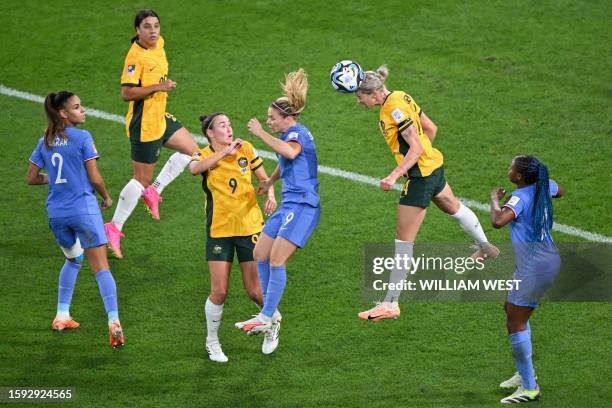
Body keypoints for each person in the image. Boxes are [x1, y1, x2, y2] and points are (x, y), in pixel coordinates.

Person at [355, 65, 499, 321]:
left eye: (360, 96)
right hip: (434, 168)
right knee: (452, 207)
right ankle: (486, 248)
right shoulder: (402, 96)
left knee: (403, 240)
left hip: (420, 177)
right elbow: (431, 129)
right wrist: (425, 159)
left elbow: (417, 146)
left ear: (373, 93)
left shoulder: (393, 108)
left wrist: (394, 175)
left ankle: (390, 303)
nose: (358, 101)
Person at [26, 91, 125, 348]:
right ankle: (113, 321)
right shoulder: (82, 137)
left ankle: (62, 315)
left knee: (73, 259)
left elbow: (32, 177)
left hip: (57, 213)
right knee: (101, 267)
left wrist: (58, 179)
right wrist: (106, 197)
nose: (84, 111)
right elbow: (94, 177)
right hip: (83, 209)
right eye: (78, 107)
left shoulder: (44, 140)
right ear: (63, 113)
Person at [105, 9, 199, 258]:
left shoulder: (160, 44)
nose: (153, 31)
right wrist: (160, 87)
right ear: (137, 30)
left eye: (156, 25)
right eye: (147, 26)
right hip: (144, 124)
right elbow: (126, 93)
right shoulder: (135, 58)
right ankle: (113, 228)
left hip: (160, 118)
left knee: (196, 153)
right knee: (140, 180)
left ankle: (155, 190)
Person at [234, 69, 320, 340]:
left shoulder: (298, 134)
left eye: (272, 118)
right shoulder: (287, 135)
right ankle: (271, 316)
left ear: (287, 118)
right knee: (260, 254)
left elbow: (290, 152)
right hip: (288, 205)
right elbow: (285, 162)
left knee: (276, 259)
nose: (268, 121)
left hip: (304, 206)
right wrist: (270, 182)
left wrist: (260, 134)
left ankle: (266, 317)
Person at [189, 113, 279, 361]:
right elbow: (194, 169)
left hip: (250, 228)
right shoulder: (203, 154)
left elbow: (265, 179)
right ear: (210, 132)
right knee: (219, 291)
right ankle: (212, 341)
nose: (229, 129)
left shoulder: (246, 149)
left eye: (229, 124)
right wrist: (223, 154)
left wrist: (270, 194)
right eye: (222, 126)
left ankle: (272, 324)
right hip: (219, 231)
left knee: (254, 291)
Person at [490, 155, 564, 404]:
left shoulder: (518, 198)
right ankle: (525, 374)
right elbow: (559, 190)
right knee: (511, 310)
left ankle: (529, 387)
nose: (508, 169)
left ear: (519, 176)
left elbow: (498, 222)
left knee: (516, 322)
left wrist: (494, 200)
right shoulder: (546, 185)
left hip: (534, 266)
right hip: (545, 259)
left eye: (511, 167)